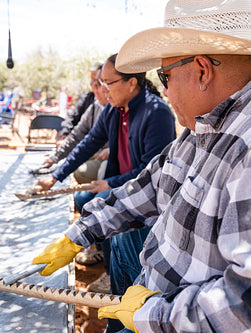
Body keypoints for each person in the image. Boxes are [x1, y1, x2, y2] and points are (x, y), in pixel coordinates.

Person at [32, 1, 251, 332]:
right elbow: (152, 185)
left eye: (165, 75)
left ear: (202, 70)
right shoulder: (207, 128)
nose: (163, 89)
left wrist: (154, 313)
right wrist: (80, 233)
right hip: (158, 303)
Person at [36, 53, 176, 330]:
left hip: (146, 201)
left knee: (114, 223)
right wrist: (55, 175)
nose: (103, 89)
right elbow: (87, 143)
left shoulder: (157, 113)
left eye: (108, 82)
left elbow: (152, 175)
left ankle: (123, 295)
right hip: (123, 188)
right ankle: (113, 278)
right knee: (88, 203)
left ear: (132, 82)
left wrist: (112, 184)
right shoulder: (113, 111)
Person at [43, 66, 109, 186]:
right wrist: (55, 160)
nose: (94, 86)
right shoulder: (94, 105)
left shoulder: (121, 108)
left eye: (99, 82)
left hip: (112, 164)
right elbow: (81, 136)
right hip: (96, 154)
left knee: (83, 173)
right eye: (93, 81)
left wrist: (112, 151)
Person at [57, 61, 103, 142]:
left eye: (98, 81)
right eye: (92, 79)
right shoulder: (87, 98)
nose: (92, 84)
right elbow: (72, 119)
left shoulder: (112, 105)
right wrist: (65, 134)